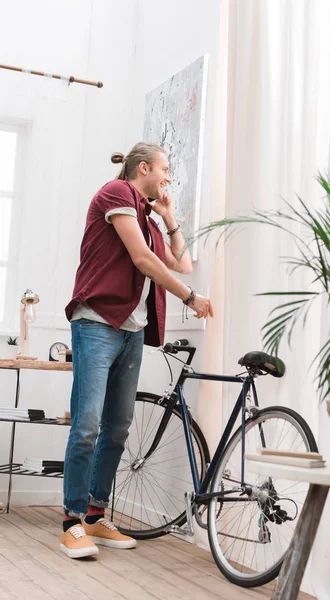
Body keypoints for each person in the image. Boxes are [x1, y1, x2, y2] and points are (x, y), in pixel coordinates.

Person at [60, 142, 213, 559]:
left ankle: (95, 514)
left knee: (119, 426)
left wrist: (168, 217)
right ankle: (72, 521)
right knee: (88, 423)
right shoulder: (115, 194)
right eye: (164, 170)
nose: (167, 178)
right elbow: (144, 260)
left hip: (130, 330)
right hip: (97, 322)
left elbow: (181, 263)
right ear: (143, 168)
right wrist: (190, 298)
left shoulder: (146, 215)